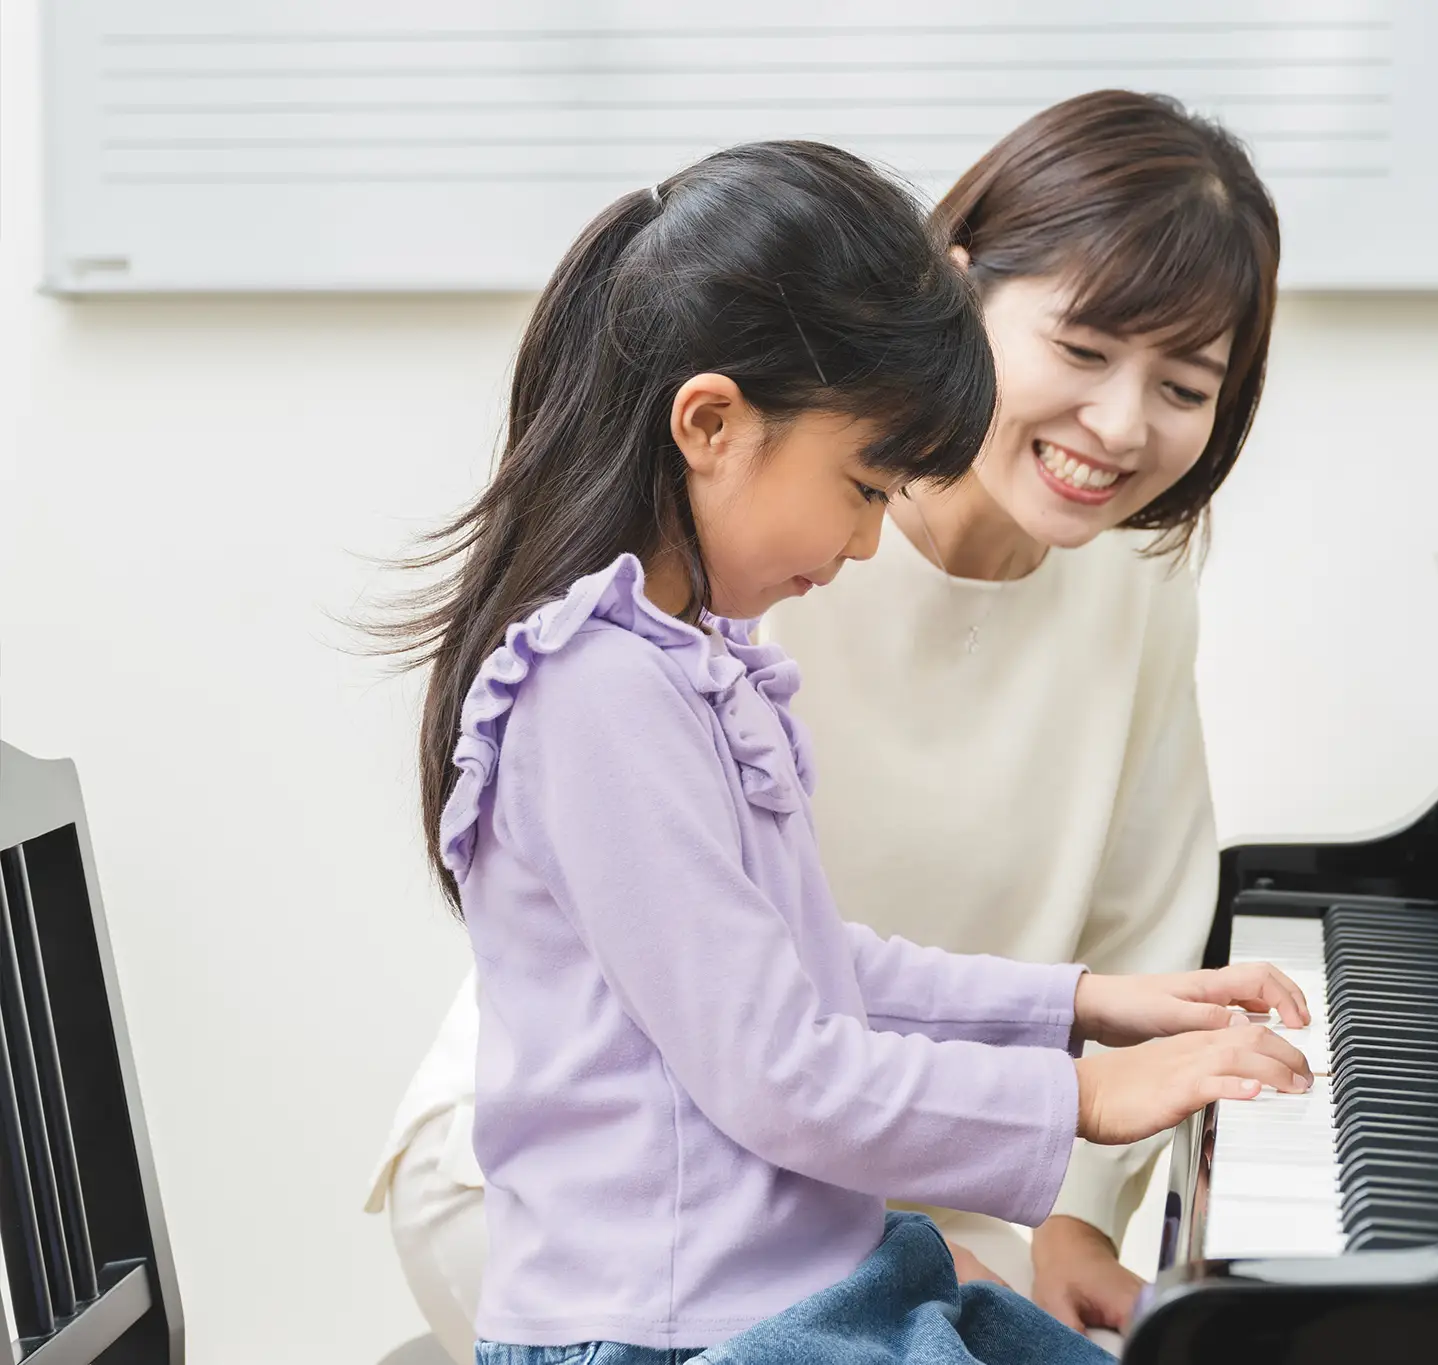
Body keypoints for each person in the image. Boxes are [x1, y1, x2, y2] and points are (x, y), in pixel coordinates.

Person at [368, 92, 1284, 1356]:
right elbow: (775, 1064)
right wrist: (1073, 1092)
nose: (1121, 425)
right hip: (655, 1272)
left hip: (801, 1214)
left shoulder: (709, 644)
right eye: (1082, 350)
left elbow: (817, 966)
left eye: (1182, 383)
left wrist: (1079, 1009)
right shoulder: (626, 667)